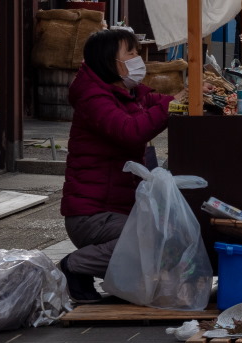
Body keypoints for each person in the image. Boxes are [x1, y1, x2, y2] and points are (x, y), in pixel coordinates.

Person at [60, 29, 174, 303]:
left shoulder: (128, 94)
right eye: (130, 53)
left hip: (117, 211)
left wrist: (191, 98)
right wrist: (173, 106)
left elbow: (157, 102)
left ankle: (110, 277)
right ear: (108, 61)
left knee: (163, 237)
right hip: (92, 215)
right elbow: (129, 131)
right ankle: (74, 266)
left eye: (137, 52)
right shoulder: (94, 98)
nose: (138, 59)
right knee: (151, 240)